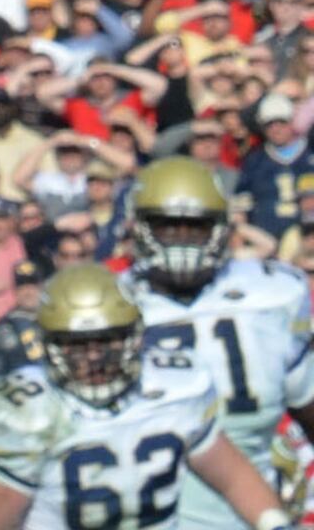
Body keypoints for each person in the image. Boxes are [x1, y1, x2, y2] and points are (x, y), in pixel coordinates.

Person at [0, 267, 283, 530]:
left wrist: (276, 524)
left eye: (108, 340)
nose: (94, 357)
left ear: (135, 335)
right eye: (76, 344)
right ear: (49, 344)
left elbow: (231, 476)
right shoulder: (25, 411)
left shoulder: (177, 385)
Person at [117, 157, 314, 480]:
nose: (182, 237)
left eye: (196, 226)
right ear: (140, 228)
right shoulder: (114, 303)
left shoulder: (272, 294)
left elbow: (305, 398)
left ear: (221, 229)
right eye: (168, 226)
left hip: (254, 491)